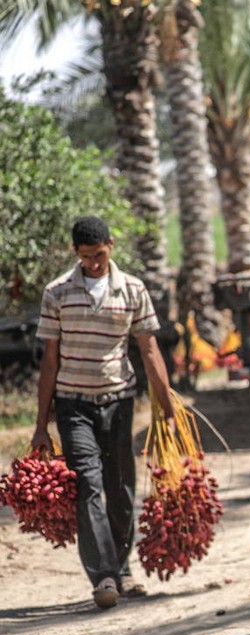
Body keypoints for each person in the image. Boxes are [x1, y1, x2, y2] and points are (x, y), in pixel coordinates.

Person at [31, 216, 176, 609]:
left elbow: (149, 350)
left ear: (111, 245)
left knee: (122, 488)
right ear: (75, 253)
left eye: (100, 254)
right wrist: (42, 425)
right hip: (73, 403)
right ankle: (104, 577)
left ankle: (123, 566)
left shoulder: (132, 289)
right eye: (86, 256)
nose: (94, 263)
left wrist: (166, 407)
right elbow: (49, 362)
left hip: (118, 401)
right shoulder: (57, 292)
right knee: (89, 486)